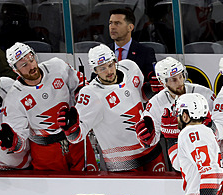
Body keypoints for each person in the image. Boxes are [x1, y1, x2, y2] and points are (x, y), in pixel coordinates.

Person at [57, 44, 164, 172]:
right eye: (102, 68)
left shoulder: (130, 67)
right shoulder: (90, 93)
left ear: (115, 61)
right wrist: (70, 128)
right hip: (124, 164)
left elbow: (142, 96)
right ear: (94, 70)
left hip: (152, 150)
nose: (109, 71)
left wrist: (152, 88)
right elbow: (77, 136)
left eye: (110, 65)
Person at [0, 42, 95, 171]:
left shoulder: (57, 66)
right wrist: (13, 141)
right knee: (55, 191)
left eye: (31, 59)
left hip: (76, 139)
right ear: (15, 70)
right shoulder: (13, 98)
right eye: (24, 65)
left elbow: (81, 87)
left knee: (90, 186)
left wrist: (80, 108)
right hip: (46, 152)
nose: (31, 66)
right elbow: (20, 139)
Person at [136, 56, 215, 170]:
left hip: (210, 154)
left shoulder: (204, 94)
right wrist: (147, 137)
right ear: (163, 82)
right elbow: (151, 140)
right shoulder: (156, 103)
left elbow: (220, 131)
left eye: (181, 76)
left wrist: (209, 125)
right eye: (173, 79)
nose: (180, 82)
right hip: (180, 161)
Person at [108, 8, 157, 82]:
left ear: (130, 27)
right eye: (110, 23)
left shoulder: (145, 52)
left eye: (117, 23)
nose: (112, 27)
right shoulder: (104, 51)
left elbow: (150, 83)